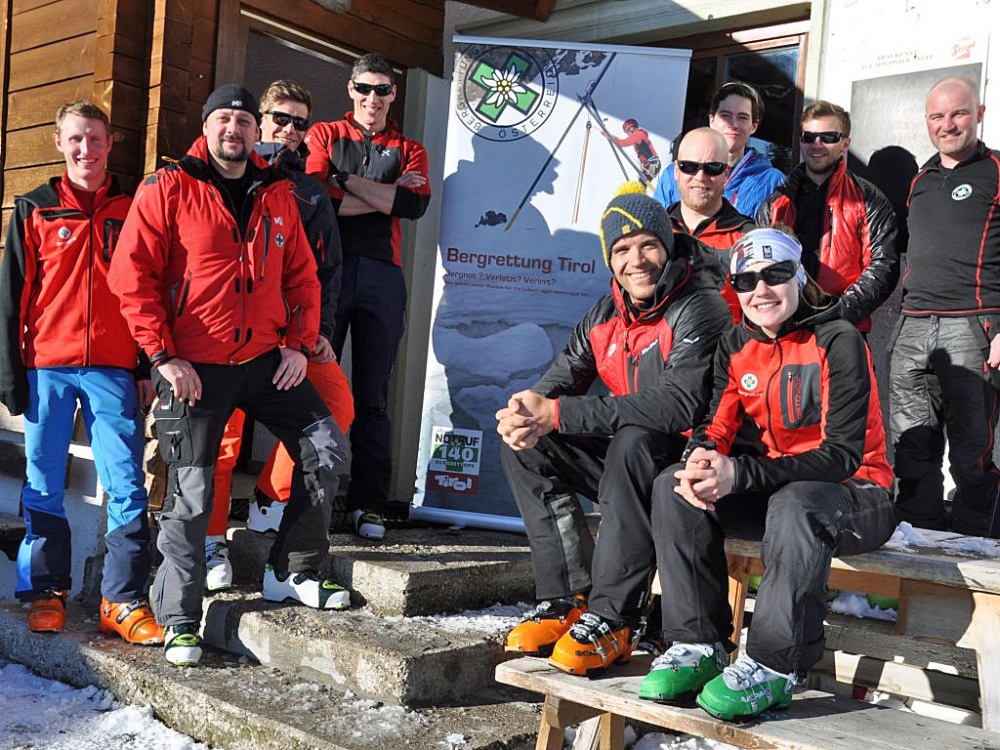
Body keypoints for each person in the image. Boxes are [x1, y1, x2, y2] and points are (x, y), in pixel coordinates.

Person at [110, 84, 350, 667]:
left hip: (266, 360)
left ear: (254, 131)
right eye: (223, 118)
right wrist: (162, 356)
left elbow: (303, 276)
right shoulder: (169, 187)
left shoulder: (278, 193)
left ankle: (289, 571)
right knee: (191, 495)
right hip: (195, 367)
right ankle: (179, 618)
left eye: (243, 121)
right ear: (206, 126)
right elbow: (131, 275)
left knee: (326, 449)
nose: (233, 129)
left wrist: (298, 345)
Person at [638, 227, 896, 720]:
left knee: (798, 503)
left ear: (798, 276)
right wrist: (700, 457)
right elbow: (716, 424)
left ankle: (776, 666)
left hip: (859, 495)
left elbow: (842, 456)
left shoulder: (838, 338)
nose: (761, 289)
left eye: (775, 274)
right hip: (779, 495)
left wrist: (739, 474)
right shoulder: (736, 344)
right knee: (674, 487)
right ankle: (699, 644)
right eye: (746, 280)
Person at [496, 186, 731, 676]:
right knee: (529, 447)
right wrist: (523, 413)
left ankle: (615, 617)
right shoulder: (605, 314)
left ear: (668, 245)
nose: (636, 261)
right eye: (621, 249)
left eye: (648, 245)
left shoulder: (700, 304)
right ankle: (567, 599)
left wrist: (557, 413)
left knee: (633, 439)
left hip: (691, 465)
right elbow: (557, 382)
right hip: (632, 463)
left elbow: (678, 404)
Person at [0, 101, 162, 645]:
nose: (85, 149)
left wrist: (146, 363)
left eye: (95, 138)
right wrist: (10, 373)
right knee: (43, 481)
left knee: (127, 482)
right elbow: (11, 297)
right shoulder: (35, 209)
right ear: (58, 142)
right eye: (75, 138)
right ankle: (46, 591)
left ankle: (122, 600)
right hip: (47, 367)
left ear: (110, 143)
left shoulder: (133, 207)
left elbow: (148, 288)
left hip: (113, 369)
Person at [203, 79, 354, 592]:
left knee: (335, 409)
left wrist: (320, 331)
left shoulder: (309, 190)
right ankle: (211, 541)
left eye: (300, 123)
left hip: (294, 338)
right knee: (222, 441)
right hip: (227, 338)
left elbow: (327, 269)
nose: (289, 130)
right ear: (258, 121)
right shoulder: (222, 176)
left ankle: (270, 495)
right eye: (280, 119)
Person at [305, 53, 431, 541]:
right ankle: (304, 498)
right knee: (315, 385)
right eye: (364, 88)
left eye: (382, 90)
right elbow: (316, 198)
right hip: (328, 273)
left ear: (393, 94)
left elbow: (412, 205)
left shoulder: (410, 148)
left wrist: (346, 183)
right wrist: (383, 195)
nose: (372, 98)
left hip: (383, 275)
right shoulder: (324, 134)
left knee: (373, 395)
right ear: (350, 89)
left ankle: (369, 504)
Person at [890, 76, 1000, 537]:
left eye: (958, 113)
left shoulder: (996, 171)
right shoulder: (921, 179)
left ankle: (978, 546)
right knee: (912, 446)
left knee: (972, 454)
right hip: (913, 326)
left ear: (979, 114)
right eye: (937, 116)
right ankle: (918, 536)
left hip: (971, 327)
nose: (948, 124)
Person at [757, 101, 899, 331]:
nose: (817, 144)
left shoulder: (868, 199)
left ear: (845, 143)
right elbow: (760, 264)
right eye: (809, 137)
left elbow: (884, 265)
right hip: (786, 327)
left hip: (843, 329)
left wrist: (840, 312)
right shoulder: (775, 204)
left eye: (828, 137)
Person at [654, 82, 784, 218]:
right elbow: (656, 226)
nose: (733, 124)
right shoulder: (675, 174)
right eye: (725, 115)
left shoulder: (773, 182)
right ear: (711, 120)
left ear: (754, 126)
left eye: (742, 117)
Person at [667, 127, 755, 321]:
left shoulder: (749, 239)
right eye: (689, 166)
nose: (700, 177)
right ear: (676, 171)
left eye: (712, 167)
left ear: (726, 174)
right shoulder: (653, 232)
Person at [602, 118, 661, 183]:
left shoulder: (638, 134)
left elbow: (622, 143)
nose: (628, 134)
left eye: (628, 131)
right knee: (641, 183)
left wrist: (610, 136)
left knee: (641, 184)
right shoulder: (639, 134)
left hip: (652, 164)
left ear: (632, 128)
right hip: (649, 165)